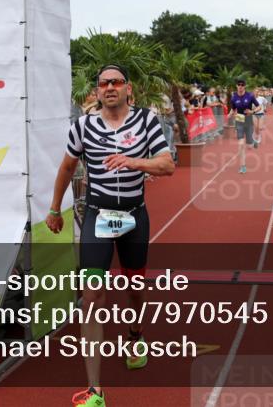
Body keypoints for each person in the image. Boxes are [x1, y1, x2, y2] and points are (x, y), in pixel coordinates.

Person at [45, 64, 174, 407]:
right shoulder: (83, 126)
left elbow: (167, 164)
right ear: (97, 90)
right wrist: (55, 209)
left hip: (134, 215)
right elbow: (67, 167)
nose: (110, 87)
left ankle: (135, 335)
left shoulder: (146, 121)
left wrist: (135, 162)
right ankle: (94, 390)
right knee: (92, 296)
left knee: (135, 288)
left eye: (116, 82)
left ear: (128, 88)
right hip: (99, 217)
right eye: (104, 83)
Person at [228, 79, 259, 173]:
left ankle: (253, 141)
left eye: (242, 84)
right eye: (239, 84)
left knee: (249, 145)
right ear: (236, 86)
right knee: (241, 144)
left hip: (249, 121)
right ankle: (243, 166)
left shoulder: (250, 96)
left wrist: (252, 111)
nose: (240, 86)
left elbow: (259, 107)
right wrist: (230, 114)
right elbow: (233, 109)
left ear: (245, 86)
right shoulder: (233, 98)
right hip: (239, 121)